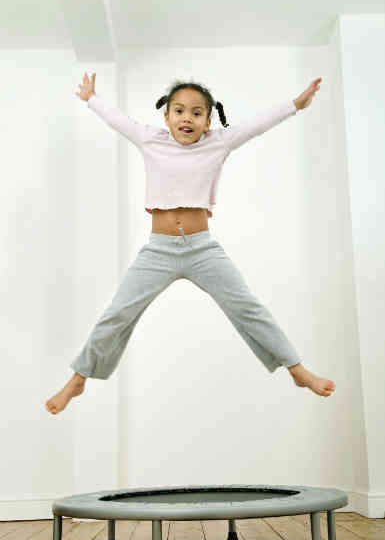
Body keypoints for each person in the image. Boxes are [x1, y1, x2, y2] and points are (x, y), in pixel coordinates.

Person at [46, 73, 335, 415]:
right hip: (159, 250)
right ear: (166, 116)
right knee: (118, 312)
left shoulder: (219, 142)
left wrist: (296, 105)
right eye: (179, 111)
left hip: (201, 249)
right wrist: (92, 98)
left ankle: (295, 369)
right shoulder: (150, 139)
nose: (187, 118)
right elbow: (119, 121)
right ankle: (80, 377)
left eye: (197, 113)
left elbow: (257, 124)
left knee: (246, 308)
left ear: (208, 121)